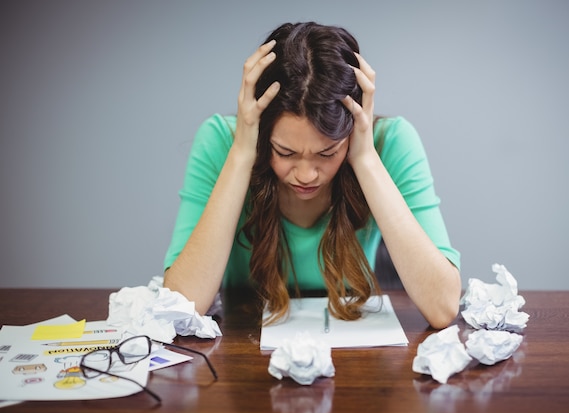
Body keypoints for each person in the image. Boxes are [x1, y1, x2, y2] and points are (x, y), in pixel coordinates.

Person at [163, 22, 461, 329]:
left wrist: (366, 158)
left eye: (327, 153)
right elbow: (183, 306)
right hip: (245, 344)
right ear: (263, 136)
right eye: (285, 152)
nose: (306, 175)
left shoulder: (390, 142)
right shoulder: (223, 142)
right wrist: (241, 155)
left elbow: (443, 307)